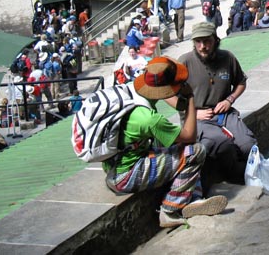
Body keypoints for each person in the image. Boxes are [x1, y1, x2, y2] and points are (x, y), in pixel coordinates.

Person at [104, 57, 228, 228]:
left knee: (172, 148)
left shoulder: (132, 93)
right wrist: (190, 97)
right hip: (126, 176)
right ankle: (170, 209)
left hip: (115, 164)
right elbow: (190, 136)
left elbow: (175, 104)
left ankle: (193, 200)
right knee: (194, 151)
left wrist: (179, 98)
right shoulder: (149, 119)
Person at [178, 23, 257, 185]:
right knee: (222, 144)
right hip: (197, 117)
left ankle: (249, 173)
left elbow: (241, 82)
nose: (202, 46)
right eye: (198, 42)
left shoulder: (227, 58)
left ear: (215, 40)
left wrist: (230, 99)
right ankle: (238, 177)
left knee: (248, 144)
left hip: (225, 113)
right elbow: (170, 94)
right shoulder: (184, 62)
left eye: (207, 41)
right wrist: (192, 112)